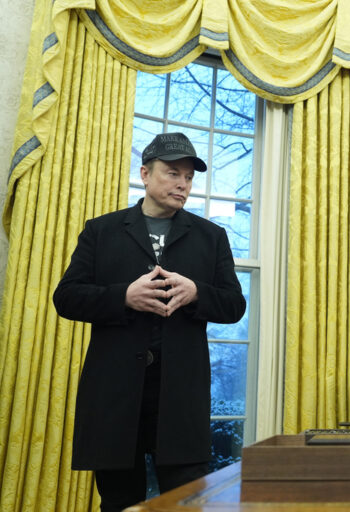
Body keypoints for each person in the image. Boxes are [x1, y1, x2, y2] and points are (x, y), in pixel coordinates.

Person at [53, 132, 247, 511]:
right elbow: (66, 297)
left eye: (189, 178)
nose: (183, 184)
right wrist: (123, 296)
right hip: (115, 397)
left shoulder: (212, 237)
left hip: (181, 400)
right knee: (119, 502)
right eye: (173, 173)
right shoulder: (101, 231)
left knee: (187, 503)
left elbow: (234, 305)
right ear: (144, 173)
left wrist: (196, 293)